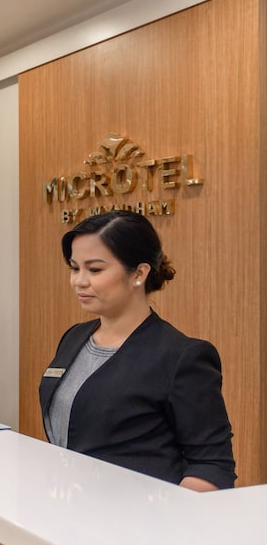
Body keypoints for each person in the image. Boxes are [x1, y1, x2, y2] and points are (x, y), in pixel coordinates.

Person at [39, 210, 236, 491]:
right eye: (74, 268)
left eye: (94, 270)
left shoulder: (182, 357)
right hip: (69, 508)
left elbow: (212, 466)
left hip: (138, 513)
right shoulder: (75, 337)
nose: (79, 281)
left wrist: (169, 514)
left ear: (139, 273)